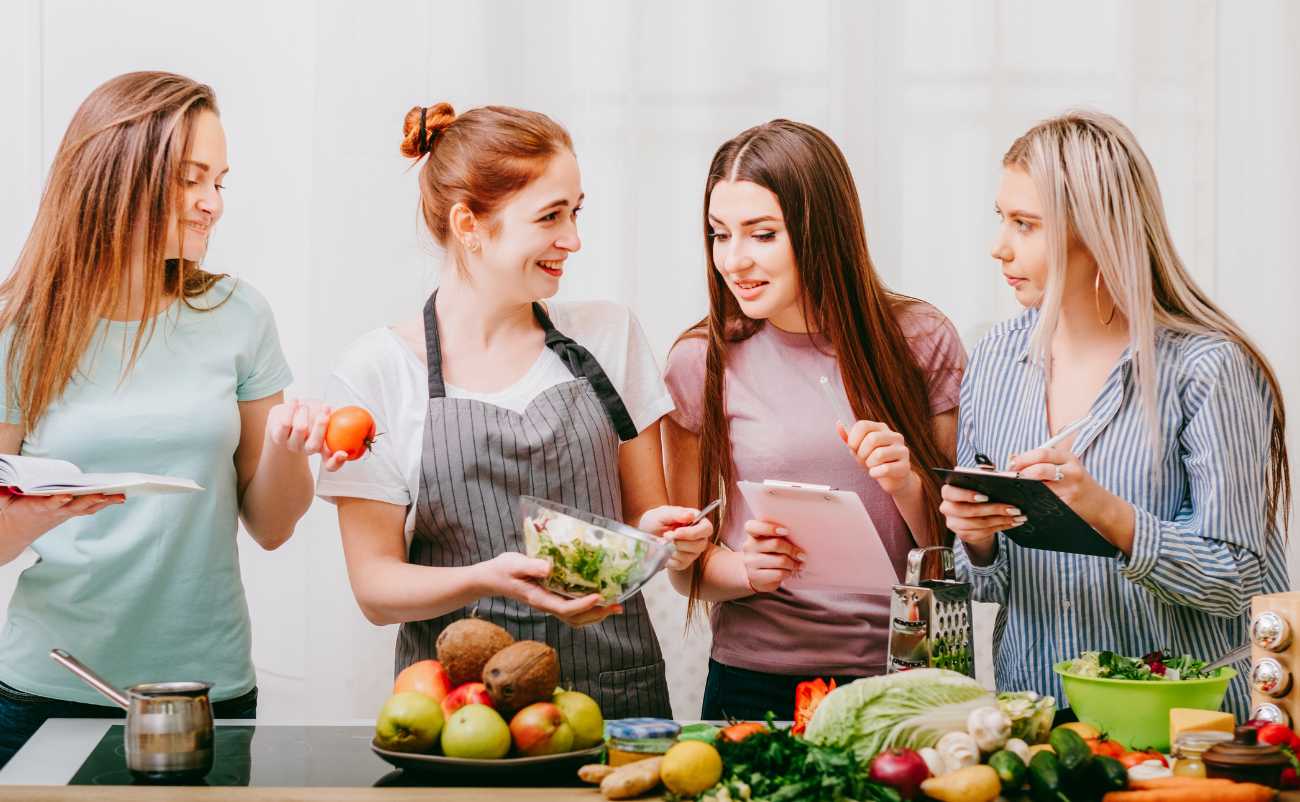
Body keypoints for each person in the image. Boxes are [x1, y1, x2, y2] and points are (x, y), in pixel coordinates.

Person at [316, 103, 712, 718]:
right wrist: (487, 577)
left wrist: (670, 540)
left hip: (615, 696)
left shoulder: (608, 336)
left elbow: (643, 519)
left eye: (576, 212)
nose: (573, 239)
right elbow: (376, 589)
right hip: (461, 711)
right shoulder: (378, 372)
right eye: (550, 216)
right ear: (469, 224)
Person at [0, 71, 341, 768]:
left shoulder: (238, 315)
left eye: (220, 181)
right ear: (118, 177)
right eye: (193, 179)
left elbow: (273, 527)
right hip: (48, 688)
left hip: (204, 694)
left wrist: (288, 449)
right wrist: (30, 517)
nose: (213, 204)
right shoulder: (21, 329)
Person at [943, 110, 1291, 718]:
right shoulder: (995, 359)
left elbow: (1239, 579)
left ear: (1097, 232)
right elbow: (985, 591)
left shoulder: (1206, 368)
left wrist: (1107, 513)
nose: (999, 247)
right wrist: (974, 543)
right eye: (1002, 219)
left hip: (1182, 733)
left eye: (1025, 225)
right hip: (1039, 725)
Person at [662, 119, 966, 720]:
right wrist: (746, 571)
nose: (735, 260)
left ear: (820, 230)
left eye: (762, 235)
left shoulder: (921, 340)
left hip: (900, 674)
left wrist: (904, 482)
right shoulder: (701, 361)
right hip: (754, 681)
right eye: (720, 235)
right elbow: (687, 567)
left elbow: (954, 547)